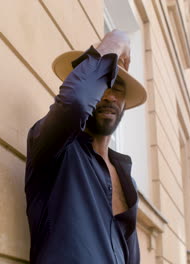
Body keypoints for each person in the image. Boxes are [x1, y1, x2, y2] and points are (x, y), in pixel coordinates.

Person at [25, 30, 147, 264]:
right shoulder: (54, 149)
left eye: (117, 88)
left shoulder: (127, 179)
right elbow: (75, 102)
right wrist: (116, 41)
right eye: (105, 84)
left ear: (124, 102)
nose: (110, 96)